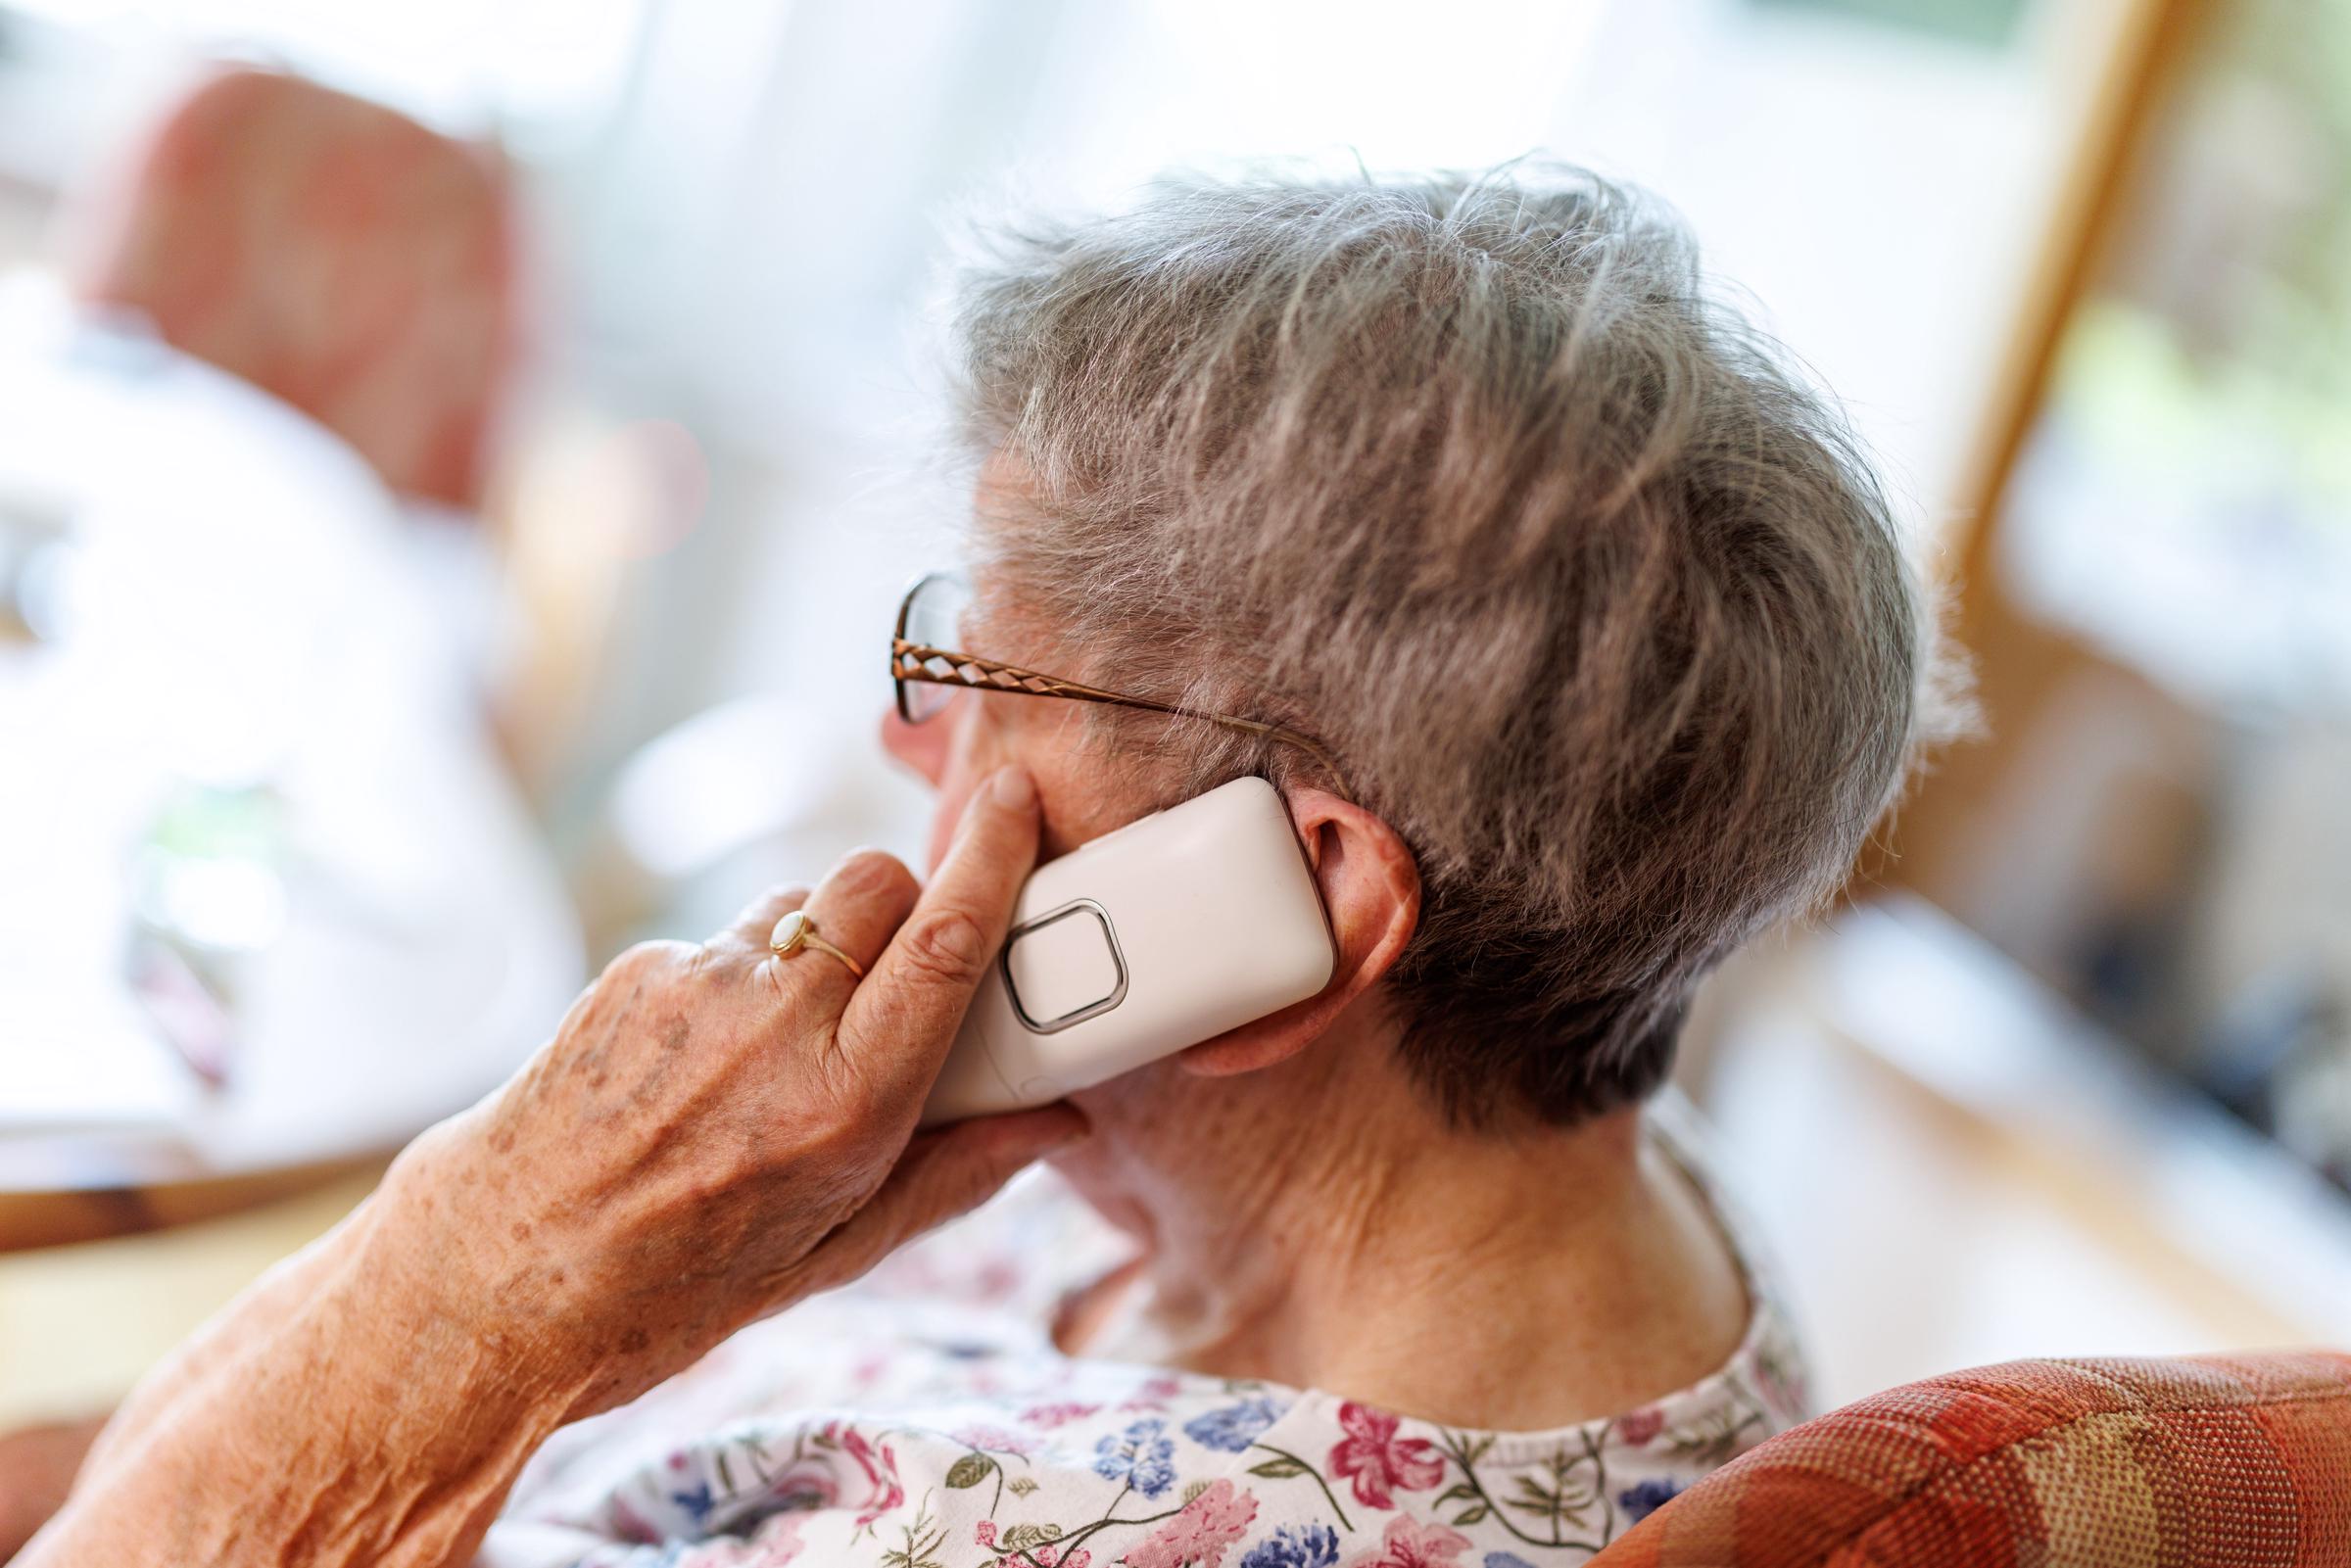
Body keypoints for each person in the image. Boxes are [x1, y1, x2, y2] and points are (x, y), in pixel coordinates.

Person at [19, 166, 1956, 1568]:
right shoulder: (1380, 1183)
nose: (903, 741)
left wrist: (486, 1269)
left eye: (973, 668)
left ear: (1298, 903)